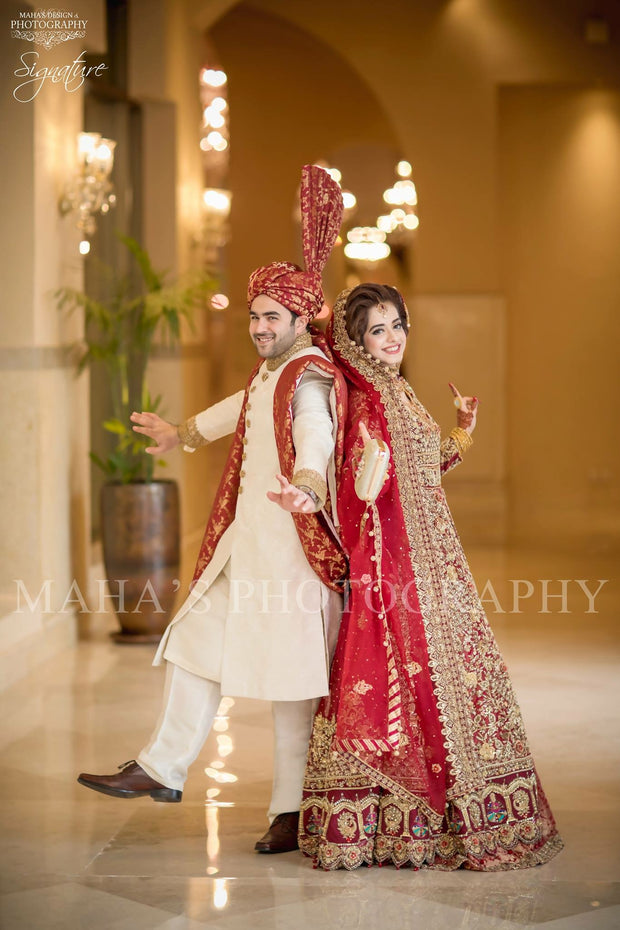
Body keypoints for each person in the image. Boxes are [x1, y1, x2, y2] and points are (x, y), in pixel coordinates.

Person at [78, 165, 347, 854]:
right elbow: (244, 407)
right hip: (246, 547)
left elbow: (314, 435)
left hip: (294, 560)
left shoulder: (310, 375)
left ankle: (290, 813)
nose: (258, 326)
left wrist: (307, 488)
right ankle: (161, 768)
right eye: (254, 315)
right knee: (195, 643)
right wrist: (182, 432)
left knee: (292, 691)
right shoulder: (274, 369)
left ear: (299, 319)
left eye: (270, 317)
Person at [296, 283, 563, 870]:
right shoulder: (363, 401)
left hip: (435, 554)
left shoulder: (399, 390)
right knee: (412, 673)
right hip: (395, 561)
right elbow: (361, 483)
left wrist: (461, 432)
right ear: (356, 340)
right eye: (378, 330)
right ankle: (395, 820)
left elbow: (424, 466)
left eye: (398, 326)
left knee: (450, 673)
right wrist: (365, 474)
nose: (392, 340)